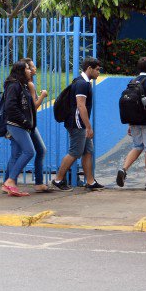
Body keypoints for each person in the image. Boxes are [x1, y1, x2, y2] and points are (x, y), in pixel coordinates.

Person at [50, 57, 103, 191]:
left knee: (88, 151)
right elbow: (81, 105)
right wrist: (88, 126)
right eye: (97, 70)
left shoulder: (83, 82)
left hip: (80, 123)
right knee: (75, 152)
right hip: (77, 123)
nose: (98, 73)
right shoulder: (82, 84)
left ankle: (90, 182)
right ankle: (58, 180)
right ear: (89, 68)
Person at [116, 57, 146, 188]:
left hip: (134, 120)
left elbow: (130, 104)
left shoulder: (132, 81)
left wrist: (130, 124)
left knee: (137, 146)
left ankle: (123, 169)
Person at [0, 61, 37, 197]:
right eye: (27, 69)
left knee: (16, 154)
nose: (30, 71)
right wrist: (24, 120)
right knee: (29, 151)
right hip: (16, 124)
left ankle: (9, 185)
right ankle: (10, 180)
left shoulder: (21, 85)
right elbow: (10, 107)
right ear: (21, 71)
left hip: (20, 124)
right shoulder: (14, 85)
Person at [21, 57, 49, 193]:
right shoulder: (29, 85)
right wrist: (43, 95)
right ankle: (37, 182)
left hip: (27, 123)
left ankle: (10, 180)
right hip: (27, 123)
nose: (34, 68)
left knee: (21, 153)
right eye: (31, 67)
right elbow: (34, 107)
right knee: (37, 150)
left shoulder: (26, 83)